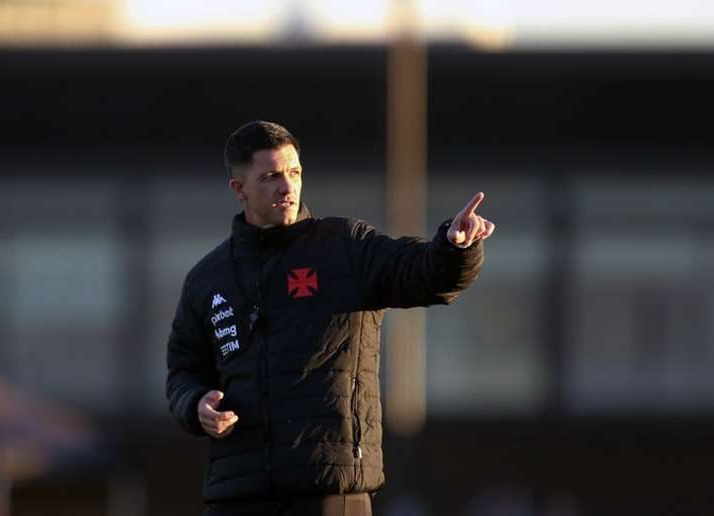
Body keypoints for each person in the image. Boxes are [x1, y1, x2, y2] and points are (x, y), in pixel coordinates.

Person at [166, 121, 495, 516]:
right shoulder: (208, 278)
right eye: (271, 177)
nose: (287, 187)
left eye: (294, 173)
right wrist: (197, 404)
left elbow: (423, 274)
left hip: (330, 489)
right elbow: (183, 372)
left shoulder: (345, 247)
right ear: (239, 189)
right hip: (238, 494)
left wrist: (454, 248)